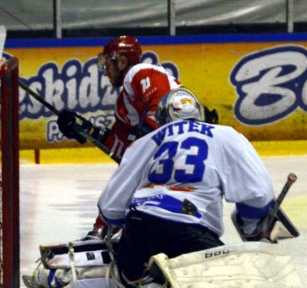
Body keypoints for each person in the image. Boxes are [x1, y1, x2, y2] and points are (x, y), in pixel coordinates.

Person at [97, 87, 275, 288]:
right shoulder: (226, 135)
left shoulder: (147, 141)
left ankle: (146, 275)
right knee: (232, 276)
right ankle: (171, 273)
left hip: (140, 226)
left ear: (163, 117)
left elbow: (110, 208)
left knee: (130, 265)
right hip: (190, 229)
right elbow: (258, 195)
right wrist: (252, 227)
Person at [57, 35, 219, 239]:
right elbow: (122, 150)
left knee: (134, 174)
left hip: (191, 142)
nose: (105, 70)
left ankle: (105, 228)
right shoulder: (124, 103)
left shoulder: (138, 72)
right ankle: (109, 229)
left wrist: (138, 144)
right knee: (133, 174)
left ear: (122, 60)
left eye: (107, 62)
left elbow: (162, 107)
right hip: (176, 154)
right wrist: (86, 130)